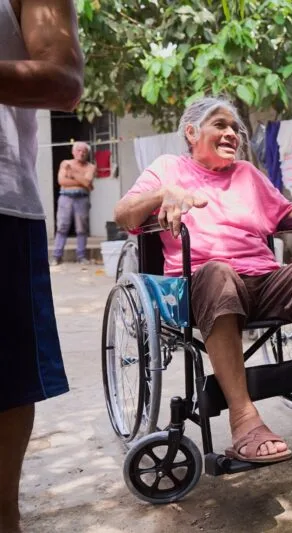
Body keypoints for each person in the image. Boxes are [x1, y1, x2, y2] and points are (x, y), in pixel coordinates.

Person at [114, 96, 292, 465]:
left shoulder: (247, 174)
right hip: (204, 285)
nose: (232, 133)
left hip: (262, 280)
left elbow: (282, 215)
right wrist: (161, 194)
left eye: (235, 128)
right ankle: (244, 418)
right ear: (191, 132)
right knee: (219, 272)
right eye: (220, 124)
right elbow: (123, 215)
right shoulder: (168, 168)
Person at [0, 0, 83, 531]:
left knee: (6, 381)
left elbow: (61, 79)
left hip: (3, 202)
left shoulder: (76, 166)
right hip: (53, 201)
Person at [51, 141, 95, 265]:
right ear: (73, 152)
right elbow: (62, 181)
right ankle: (56, 256)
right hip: (65, 197)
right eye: (78, 150)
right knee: (62, 227)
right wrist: (83, 180)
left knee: (82, 229)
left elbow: (88, 182)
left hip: (82, 198)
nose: (81, 153)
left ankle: (81, 256)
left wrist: (73, 174)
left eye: (84, 151)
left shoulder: (90, 167)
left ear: (87, 154)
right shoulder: (65, 163)